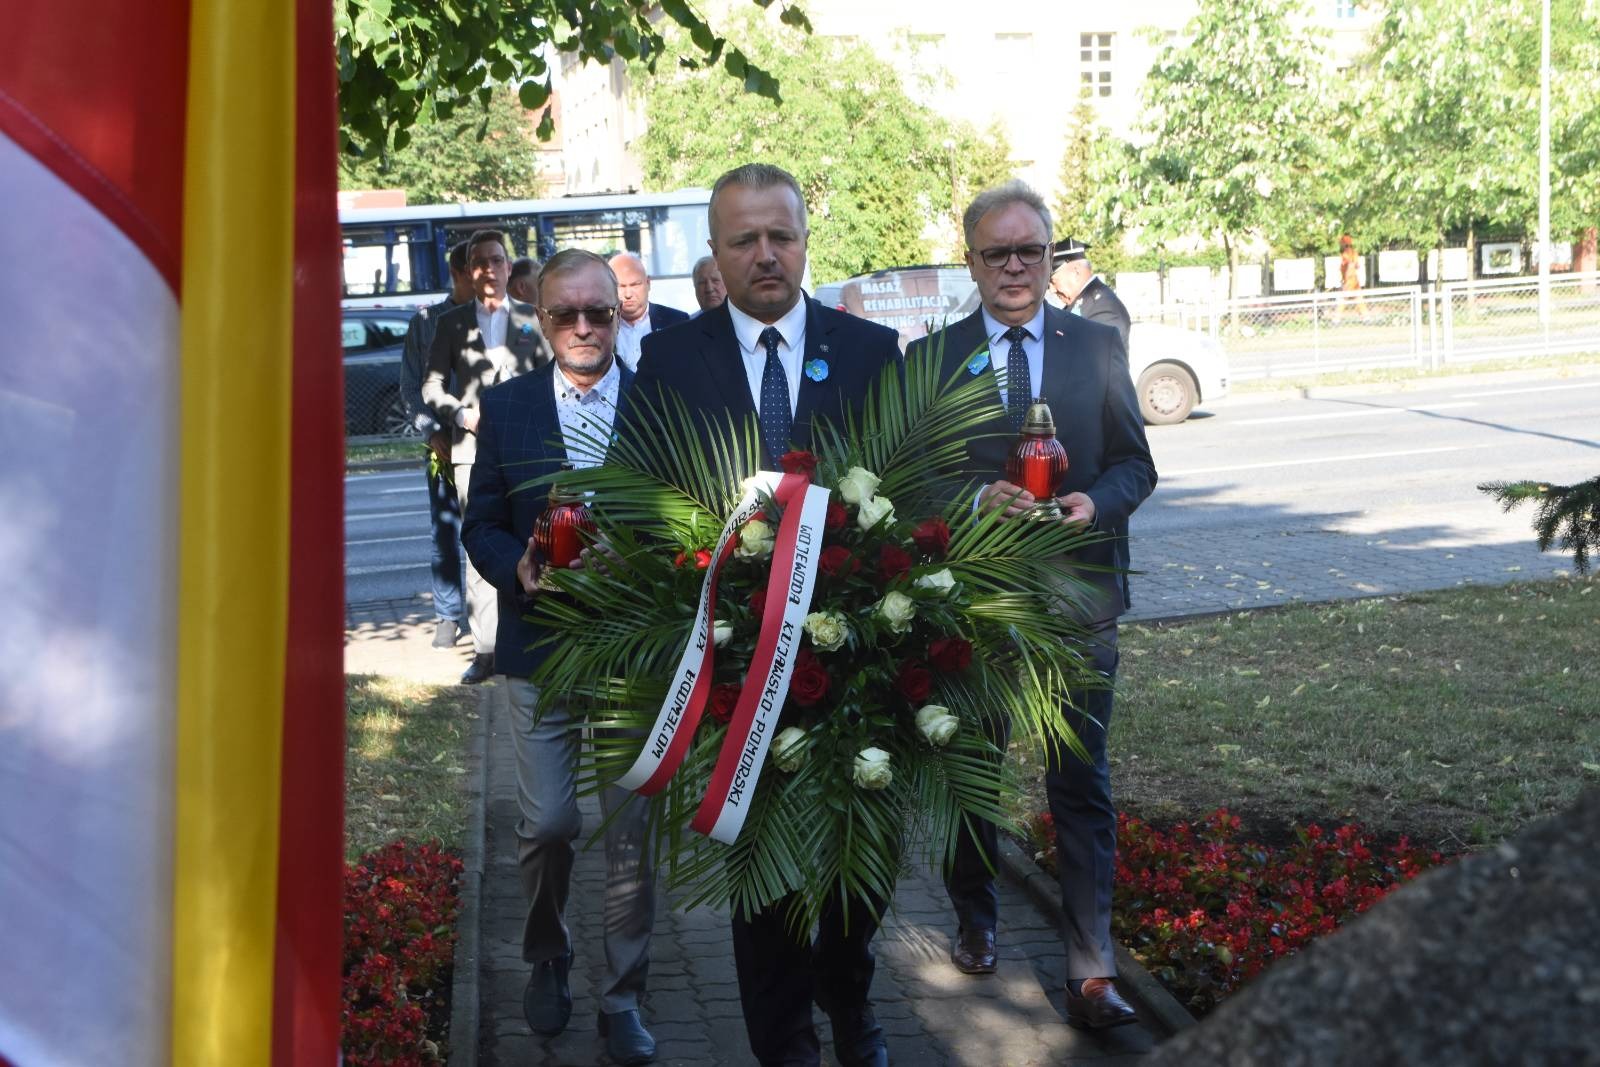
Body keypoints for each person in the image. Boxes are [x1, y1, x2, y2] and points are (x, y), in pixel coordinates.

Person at [625, 163, 901, 1067]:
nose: (765, 254)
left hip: (858, 650)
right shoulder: (670, 359)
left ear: (805, 239)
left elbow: (910, 485)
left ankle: (849, 995)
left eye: (780, 235)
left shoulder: (871, 351)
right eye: (744, 239)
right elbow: (638, 493)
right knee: (764, 868)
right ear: (715, 252)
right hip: (735, 663)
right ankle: (786, 1044)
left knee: (862, 853)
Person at [908, 180, 1156, 1031]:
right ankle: (976, 916)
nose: (1014, 266)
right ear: (970, 261)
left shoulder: (1097, 345)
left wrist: (1097, 503)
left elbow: (1136, 463)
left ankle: (1092, 968)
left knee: (1079, 778)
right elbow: (912, 481)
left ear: (1051, 258)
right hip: (973, 608)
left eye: (1030, 251)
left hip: (1076, 601)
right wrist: (975, 499)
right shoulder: (932, 360)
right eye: (997, 252)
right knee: (973, 772)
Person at [459, 248, 658, 1066]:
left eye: (598, 312)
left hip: (632, 651)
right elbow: (479, 523)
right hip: (538, 649)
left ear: (619, 314)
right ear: (540, 320)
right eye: (565, 313)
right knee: (546, 824)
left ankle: (624, 996)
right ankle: (548, 951)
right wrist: (519, 567)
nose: (583, 326)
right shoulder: (506, 407)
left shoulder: (658, 406)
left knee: (631, 833)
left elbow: (693, 516)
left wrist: (640, 559)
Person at [422, 228, 551, 684]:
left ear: (508, 267)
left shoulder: (531, 318)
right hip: (471, 449)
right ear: (469, 271)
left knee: (535, 539)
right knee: (481, 543)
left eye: (497, 260)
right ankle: (486, 649)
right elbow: (431, 385)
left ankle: (537, 638)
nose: (489, 269)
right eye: (480, 262)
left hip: (529, 450)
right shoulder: (451, 324)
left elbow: (551, 373)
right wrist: (460, 414)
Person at [400, 240, 472, 650]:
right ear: (460, 273)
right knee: (445, 532)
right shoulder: (425, 323)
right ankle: (447, 615)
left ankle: (491, 617)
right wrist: (431, 432)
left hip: (486, 444)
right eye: (477, 269)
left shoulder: (496, 319)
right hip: (444, 445)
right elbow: (411, 387)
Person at [608, 251, 688, 371]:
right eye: (621, 286)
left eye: (635, 285)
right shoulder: (599, 323)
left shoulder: (677, 321)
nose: (628, 294)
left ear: (648, 283)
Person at [1047, 238, 1131, 350]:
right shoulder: (1086, 304)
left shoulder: (1104, 310)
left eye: (1053, 281)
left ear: (1076, 272)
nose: (1052, 290)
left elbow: (1096, 358)